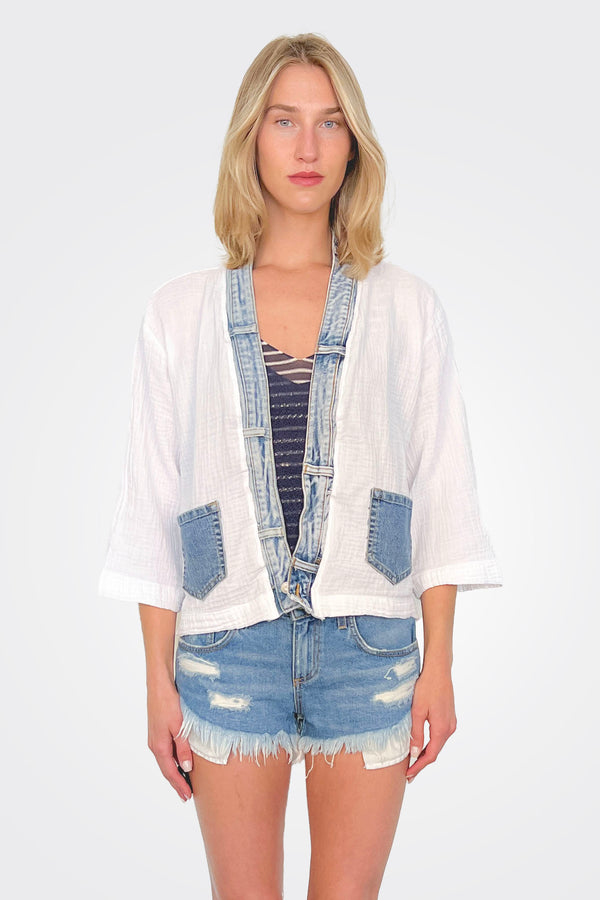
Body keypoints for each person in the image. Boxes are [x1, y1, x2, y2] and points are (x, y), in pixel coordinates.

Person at [99, 32, 502, 900]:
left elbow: (442, 487)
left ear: (355, 144)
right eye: (284, 121)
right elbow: (152, 503)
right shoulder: (178, 313)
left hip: (370, 643)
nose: (308, 146)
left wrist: (440, 663)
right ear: (251, 137)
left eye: (330, 122)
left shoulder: (406, 306)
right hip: (226, 644)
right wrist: (155, 683)